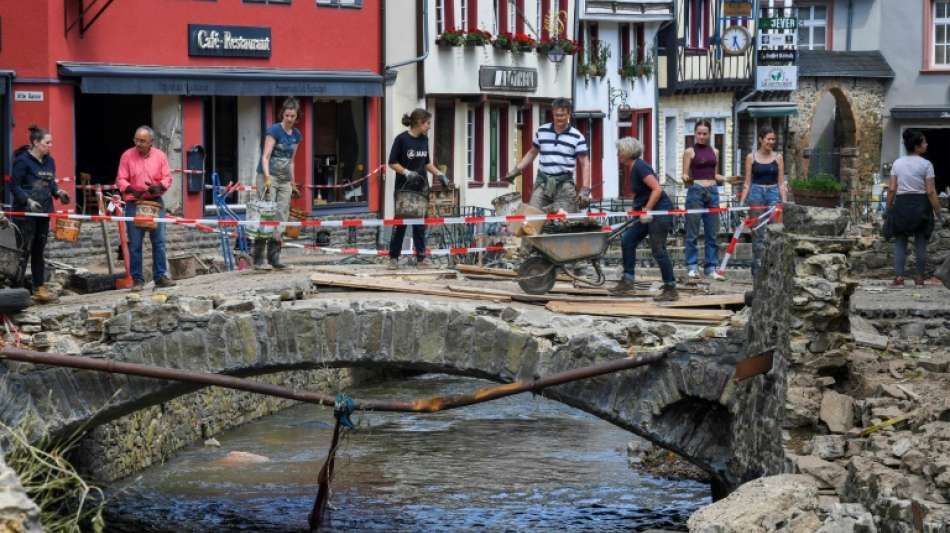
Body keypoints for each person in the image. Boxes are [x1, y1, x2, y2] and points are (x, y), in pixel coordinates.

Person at [610, 137, 678, 302]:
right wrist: (638, 209)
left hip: (659, 212)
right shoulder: (634, 168)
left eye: (620, 151)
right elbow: (644, 193)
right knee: (628, 239)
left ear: (627, 152)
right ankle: (628, 280)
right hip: (647, 213)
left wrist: (646, 209)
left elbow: (657, 189)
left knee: (658, 249)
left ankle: (670, 288)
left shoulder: (640, 166)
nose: (618, 154)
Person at [10, 125, 69, 303]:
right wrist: (27, 201)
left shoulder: (50, 162)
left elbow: (50, 184)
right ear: (36, 142)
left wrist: (59, 193)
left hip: (44, 212)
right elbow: (14, 186)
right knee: (23, 251)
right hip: (24, 214)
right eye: (47, 143)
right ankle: (16, 289)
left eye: (51, 143)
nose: (50, 146)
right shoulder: (22, 161)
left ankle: (39, 288)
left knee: (39, 250)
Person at [387, 108, 451, 269]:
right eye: (428, 123)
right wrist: (406, 172)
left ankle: (421, 259)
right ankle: (393, 258)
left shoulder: (424, 140)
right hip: (404, 189)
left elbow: (427, 163)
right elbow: (392, 162)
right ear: (419, 123)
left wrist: (440, 174)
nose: (429, 126)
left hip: (421, 188)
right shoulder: (401, 140)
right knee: (400, 223)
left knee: (420, 224)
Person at [503, 98, 590, 212]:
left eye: (562, 115)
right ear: (553, 114)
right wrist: (515, 170)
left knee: (564, 220)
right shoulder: (542, 131)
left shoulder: (577, 137)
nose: (559, 119)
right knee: (532, 216)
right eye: (556, 115)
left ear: (569, 114)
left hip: (564, 185)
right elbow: (532, 152)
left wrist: (585, 190)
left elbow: (585, 164)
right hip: (543, 183)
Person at [116, 125, 175, 291]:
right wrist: (131, 189)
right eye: (136, 139)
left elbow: (167, 177)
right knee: (135, 244)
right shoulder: (127, 156)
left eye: (142, 141)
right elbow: (121, 179)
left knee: (160, 242)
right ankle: (137, 280)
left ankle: (160, 276)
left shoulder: (160, 156)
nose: (138, 143)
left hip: (155, 202)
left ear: (151, 142)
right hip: (134, 203)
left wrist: (159, 186)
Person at [887, 129, 943, 286]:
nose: (927, 144)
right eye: (924, 142)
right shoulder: (926, 164)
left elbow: (892, 189)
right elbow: (931, 191)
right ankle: (919, 278)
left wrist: (888, 207)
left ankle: (899, 278)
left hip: (902, 204)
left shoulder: (897, 163)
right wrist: (939, 213)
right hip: (921, 205)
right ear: (917, 146)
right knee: (920, 242)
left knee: (900, 242)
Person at [254, 97, 303, 270]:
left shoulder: (296, 135)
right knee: (267, 214)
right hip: (269, 176)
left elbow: (291, 161)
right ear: (283, 115)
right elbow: (265, 157)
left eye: (293, 116)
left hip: (284, 179)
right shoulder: (274, 130)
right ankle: (258, 259)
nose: (289, 119)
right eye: (287, 115)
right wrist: (267, 178)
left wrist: (293, 182)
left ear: (297, 117)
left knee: (281, 216)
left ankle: (274, 258)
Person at [740, 126, 786, 276]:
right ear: (761, 139)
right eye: (769, 139)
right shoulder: (751, 157)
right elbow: (747, 182)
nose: (771, 142)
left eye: (773, 139)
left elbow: (781, 183)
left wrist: (784, 202)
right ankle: (757, 267)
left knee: (775, 230)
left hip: (773, 192)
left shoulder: (778, 157)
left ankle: (773, 267)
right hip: (756, 193)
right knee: (757, 232)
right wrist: (742, 203)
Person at [682, 120, 725, 281]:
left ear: (709, 134)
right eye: (698, 133)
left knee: (712, 232)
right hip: (696, 190)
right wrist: (685, 178)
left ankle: (710, 267)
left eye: (704, 134)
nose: (701, 136)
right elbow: (685, 175)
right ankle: (692, 266)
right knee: (692, 232)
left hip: (713, 190)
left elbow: (715, 174)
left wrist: (727, 179)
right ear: (694, 133)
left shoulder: (715, 151)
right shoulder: (689, 152)